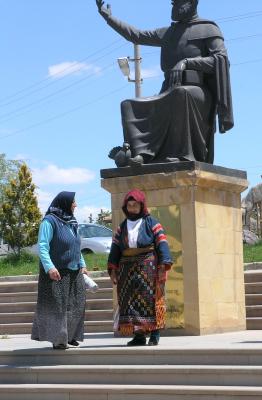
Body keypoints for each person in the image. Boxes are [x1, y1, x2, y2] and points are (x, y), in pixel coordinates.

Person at [95, 0, 234, 165]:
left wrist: (187, 62)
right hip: (169, 91)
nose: (173, 7)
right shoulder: (169, 33)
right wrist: (108, 18)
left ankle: (183, 154)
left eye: (177, 3)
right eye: (172, 4)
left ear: (192, 3)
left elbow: (221, 60)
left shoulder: (208, 28)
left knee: (181, 93)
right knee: (128, 104)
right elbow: (135, 35)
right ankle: (140, 154)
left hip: (197, 91)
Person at [108, 189, 172, 346]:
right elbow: (115, 248)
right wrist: (113, 268)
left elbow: (162, 243)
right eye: (129, 205)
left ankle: (155, 333)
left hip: (148, 265)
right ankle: (139, 335)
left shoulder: (152, 223)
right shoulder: (122, 227)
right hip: (126, 269)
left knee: (149, 299)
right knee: (130, 301)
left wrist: (163, 263)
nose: (132, 208)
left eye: (135, 205)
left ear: (141, 205)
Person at [31, 191, 88, 350]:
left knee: (77, 302)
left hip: (74, 270)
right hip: (56, 271)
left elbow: (76, 245)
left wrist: (82, 264)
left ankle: (70, 335)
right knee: (58, 305)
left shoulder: (72, 221)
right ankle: (58, 339)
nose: (75, 205)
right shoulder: (49, 222)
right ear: (64, 203)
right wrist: (50, 267)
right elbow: (42, 247)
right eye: (73, 202)